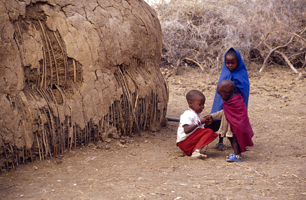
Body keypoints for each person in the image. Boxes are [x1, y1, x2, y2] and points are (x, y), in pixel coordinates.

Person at [210, 48, 250, 151]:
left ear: (238, 62)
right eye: (227, 63)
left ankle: (240, 144)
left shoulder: (242, 73)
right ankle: (220, 142)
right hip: (224, 102)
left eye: (233, 63)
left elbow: (244, 89)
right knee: (221, 120)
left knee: (237, 123)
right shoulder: (225, 72)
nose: (230, 65)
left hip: (236, 104)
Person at [209, 80, 254, 161]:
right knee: (232, 140)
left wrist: (236, 125)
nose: (220, 97)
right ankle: (237, 154)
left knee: (234, 140)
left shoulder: (236, 102)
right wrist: (212, 116)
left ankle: (237, 155)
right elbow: (224, 113)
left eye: (221, 95)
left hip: (235, 126)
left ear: (227, 92)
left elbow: (240, 116)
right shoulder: (232, 101)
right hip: (233, 126)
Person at [176, 90, 218, 158]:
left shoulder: (197, 114)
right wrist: (199, 122)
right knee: (209, 132)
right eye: (200, 104)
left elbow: (202, 131)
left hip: (189, 142)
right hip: (184, 142)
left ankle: (195, 151)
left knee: (209, 131)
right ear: (190, 103)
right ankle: (196, 151)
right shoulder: (187, 114)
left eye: (203, 104)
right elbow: (186, 130)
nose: (202, 107)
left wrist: (207, 124)